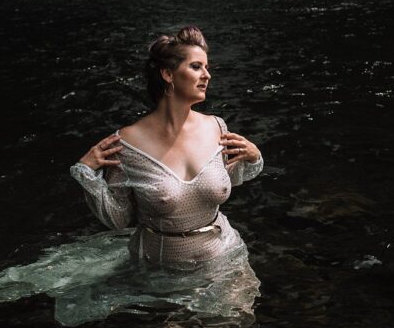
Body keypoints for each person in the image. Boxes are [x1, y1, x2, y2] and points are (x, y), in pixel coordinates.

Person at [70, 26, 263, 282]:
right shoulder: (127, 143)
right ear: (168, 74)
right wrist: (86, 173)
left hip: (223, 259)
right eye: (196, 67)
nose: (207, 75)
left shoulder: (217, 127)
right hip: (160, 271)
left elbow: (229, 180)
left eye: (207, 67)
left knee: (236, 323)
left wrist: (254, 156)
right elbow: (118, 218)